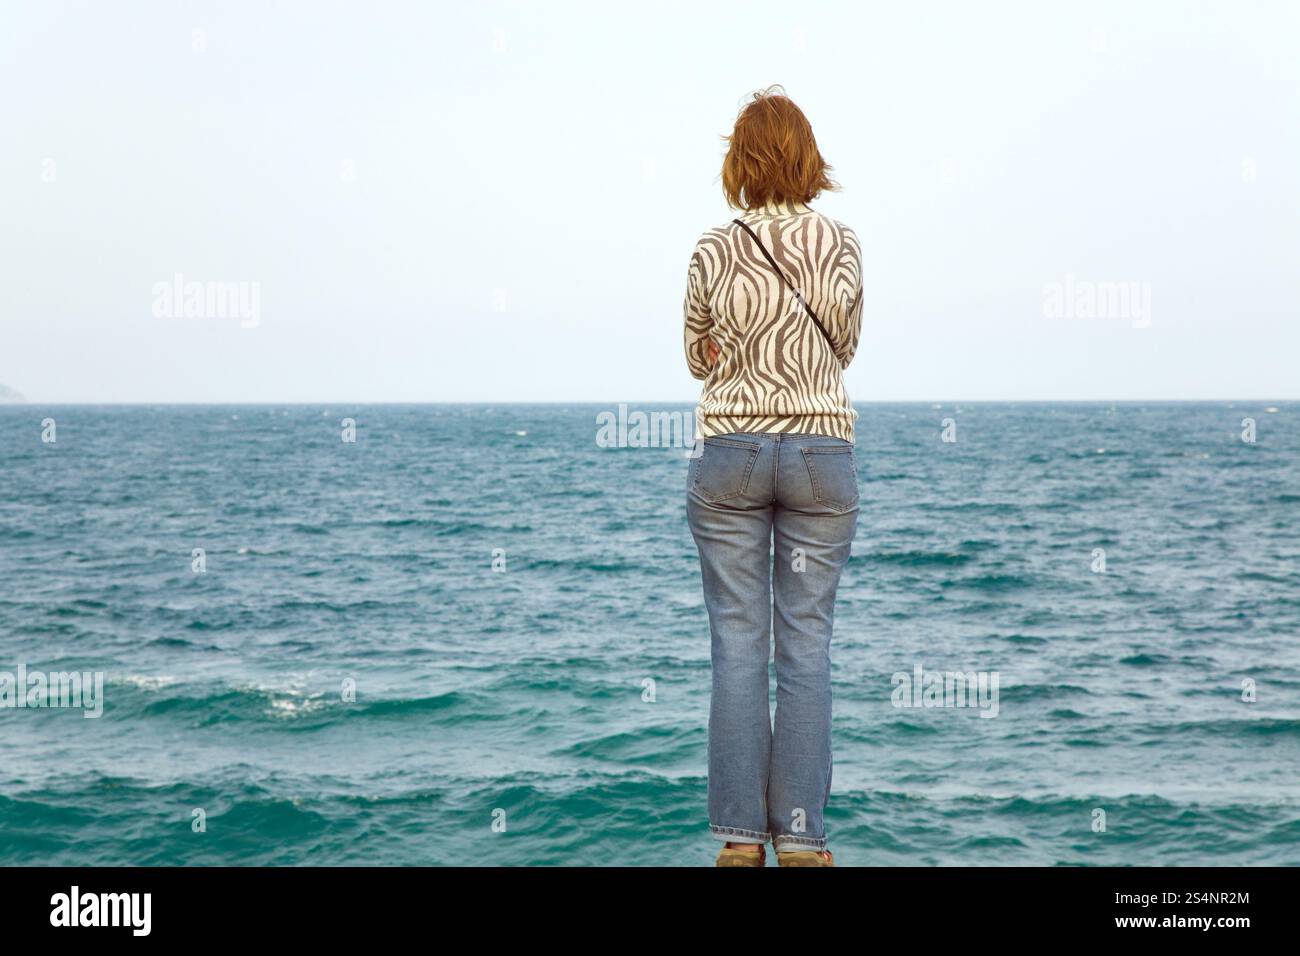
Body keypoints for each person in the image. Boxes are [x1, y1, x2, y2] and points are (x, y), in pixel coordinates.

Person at [682, 85, 864, 868]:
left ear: (740, 163)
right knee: (807, 648)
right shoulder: (844, 243)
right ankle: (801, 841)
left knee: (736, 646)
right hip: (821, 452)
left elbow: (697, 357)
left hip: (731, 452)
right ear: (806, 157)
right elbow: (846, 348)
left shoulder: (712, 247)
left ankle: (737, 842)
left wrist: (736, 356)